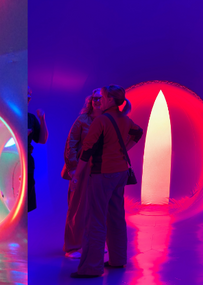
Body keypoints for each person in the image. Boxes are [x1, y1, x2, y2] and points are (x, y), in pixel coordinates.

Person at [71, 85, 143, 279]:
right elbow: (138, 132)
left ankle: (90, 268)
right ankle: (118, 259)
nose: (99, 100)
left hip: (102, 173)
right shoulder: (125, 119)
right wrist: (125, 148)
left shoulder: (101, 120)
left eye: (102, 97)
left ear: (111, 100)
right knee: (117, 215)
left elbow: (87, 149)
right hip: (120, 173)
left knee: (95, 219)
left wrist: (77, 174)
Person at [63, 91, 101, 258]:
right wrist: (73, 168)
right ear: (90, 101)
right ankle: (72, 247)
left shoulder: (107, 120)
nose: (98, 101)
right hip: (82, 168)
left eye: (102, 97)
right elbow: (71, 144)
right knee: (77, 207)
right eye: (95, 98)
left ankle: (93, 242)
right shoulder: (82, 120)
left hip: (101, 169)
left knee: (98, 207)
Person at [28, 86, 48, 211]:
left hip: (28, 161)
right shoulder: (7, 113)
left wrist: (42, 119)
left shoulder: (31, 118)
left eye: (29, 94)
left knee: (28, 198)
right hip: (15, 159)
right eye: (26, 94)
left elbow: (42, 140)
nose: (28, 97)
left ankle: (23, 228)